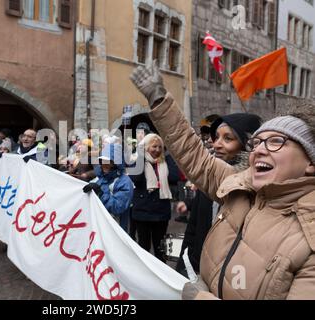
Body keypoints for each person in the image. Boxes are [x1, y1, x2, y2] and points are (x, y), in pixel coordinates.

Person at [131, 61, 315, 300]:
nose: (259, 150)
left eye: (276, 141)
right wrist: (159, 99)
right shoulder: (242, 187)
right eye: (256, 143)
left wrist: (200, 298)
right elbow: (194, 155)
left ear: (310, 162)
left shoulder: (309, 238)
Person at [175, 113, 262, 277]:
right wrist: (182, 268)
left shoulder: (257, 190)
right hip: (198, 270)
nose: (216, 144)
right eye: (216, 137)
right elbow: (193, 229)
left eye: (228, 138)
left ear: (247, 145)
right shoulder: (210, 180)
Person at [129, 133, 179, 261]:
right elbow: (136, 178)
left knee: (160, 249)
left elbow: (174, 177)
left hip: (161, 212)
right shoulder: (137, 160)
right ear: (146, 147)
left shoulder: (165, 161)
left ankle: (161, 275)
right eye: (154, 147)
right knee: (143, 247)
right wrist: (141, 156)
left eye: (159, 147)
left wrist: (168, 156)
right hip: (142, 212)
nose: (157, 150)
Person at [83, 143, 134, 232]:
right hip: (98, 228)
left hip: (115, 231)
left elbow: (118, 207)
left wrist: (100, 192)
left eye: (108, 161)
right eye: (102, 161)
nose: (104, 164)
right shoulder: (99, 179)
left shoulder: (125, 182)